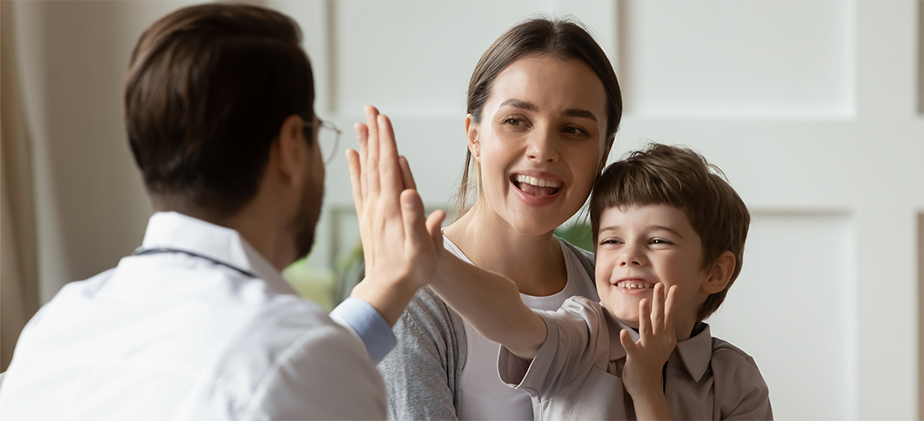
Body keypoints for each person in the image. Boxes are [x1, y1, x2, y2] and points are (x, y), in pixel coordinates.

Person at [0, 5, 443, 420]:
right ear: (291, 146)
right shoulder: (301, 360)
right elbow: (284, 368)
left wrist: (385, 287)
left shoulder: (54, 328)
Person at [358, 140, 773, 420]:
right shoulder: (585, 331)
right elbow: (511, 319)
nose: (629, 256)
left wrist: (647, 391)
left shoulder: (737, 380)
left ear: (715, 273)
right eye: (611, 240)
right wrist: (434, 262)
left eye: (659, 240)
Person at [373, 17, 623, 421]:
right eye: (516, 121)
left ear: (604, 152)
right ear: (474, 134)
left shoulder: (610, 287)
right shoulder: (413, 297)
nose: (542, 150)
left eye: (574, 129)